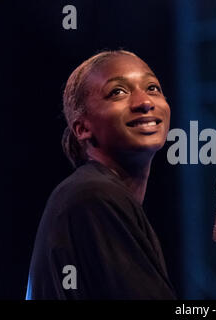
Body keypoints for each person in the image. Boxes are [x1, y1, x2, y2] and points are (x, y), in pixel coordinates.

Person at [25, 50, 176, 299]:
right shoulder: (93, 196)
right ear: (83, 128)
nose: (145, 101)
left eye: (152, 88)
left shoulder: (96, 193)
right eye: (117, 92)